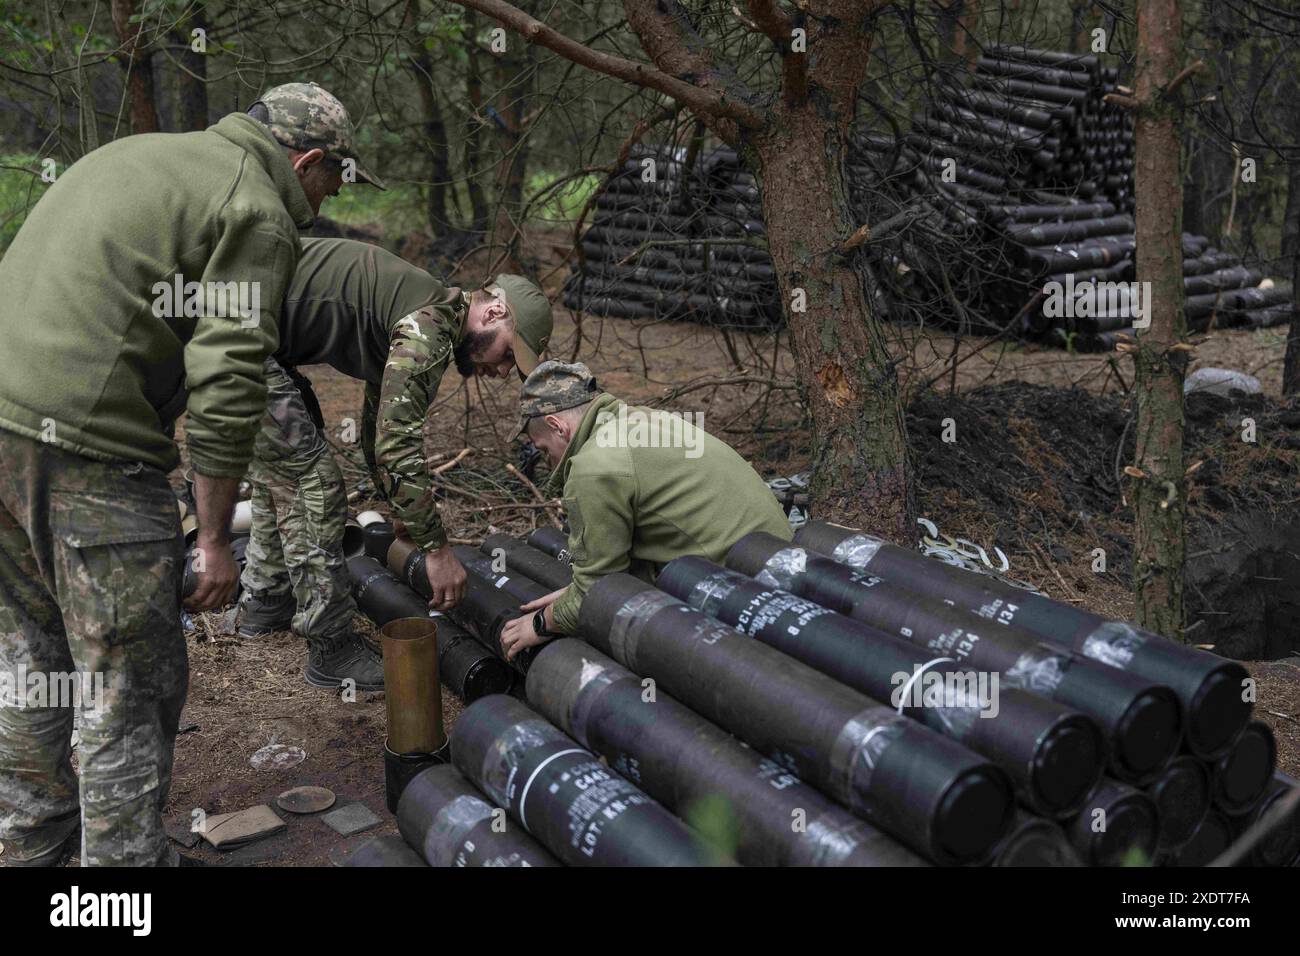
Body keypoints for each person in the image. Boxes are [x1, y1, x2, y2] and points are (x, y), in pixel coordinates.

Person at [0, 81, 379, 867]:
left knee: (34, 661)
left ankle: (32, 854)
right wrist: (212, 537)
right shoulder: (259, 207)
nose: (332, 195)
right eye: (334, 176)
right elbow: (230, 372)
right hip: (88, 457)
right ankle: (119, 889)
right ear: (304, 160)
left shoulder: (141, 155)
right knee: (126, 690)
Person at [233, 237, 554, 691]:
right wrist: (438, 552)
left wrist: (402, 511)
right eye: (507, 355)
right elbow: (396, 443)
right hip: (232, 332)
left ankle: (265, 604)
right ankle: (331, 649)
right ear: (494, 313)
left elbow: (375, 428)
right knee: (315, 484)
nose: (502, 372)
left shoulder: (418, 310)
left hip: (235, 326)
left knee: (285, 466)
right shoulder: (428, 326)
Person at [498, 361, 792, 661]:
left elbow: (600, 594)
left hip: (747, 596)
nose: (547, 461)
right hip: (787, 562)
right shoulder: (644, 420)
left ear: (557, 426)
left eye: (544, 449)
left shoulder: (593, 468)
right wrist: (572, 593)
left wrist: (541, 622)